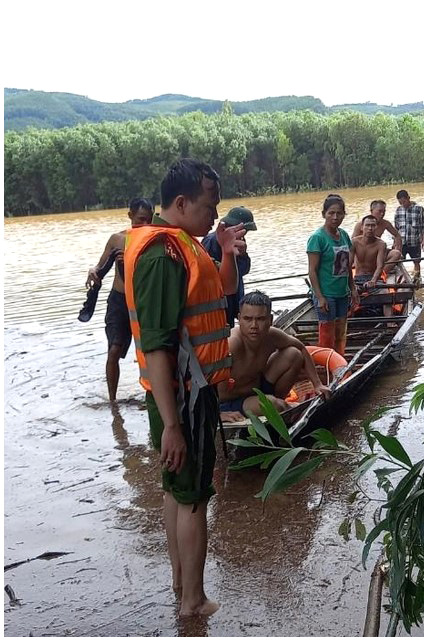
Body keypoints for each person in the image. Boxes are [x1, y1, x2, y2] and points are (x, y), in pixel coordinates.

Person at [124, 158, 245, 617]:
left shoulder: (184, 246)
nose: (216, 215)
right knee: (192, 495)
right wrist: (173, 424)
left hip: (186, 394)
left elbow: (223, 290)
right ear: (181, 203)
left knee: (177, 490)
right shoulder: (162, 255)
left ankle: (181, 586)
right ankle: (193, 601)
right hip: (184, 397)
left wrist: (228, 252)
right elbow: (156, 345)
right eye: (209, 205)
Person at [217, 291, 329, 421]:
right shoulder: (232, 344)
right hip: (230, 403)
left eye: (260, 319)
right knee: (273, 405)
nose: (254, 326)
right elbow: (201, 381)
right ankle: (276, 405)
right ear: (239, 319)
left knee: (294, 354)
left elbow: (302, 348)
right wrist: (217, 415)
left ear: (270, 320)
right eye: (248, 319)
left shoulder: (272, 336)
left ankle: (278, 401)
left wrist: (317, 384)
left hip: (258, 389)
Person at [85, 197, 154, 401]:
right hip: (119, 300)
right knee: (114, 350)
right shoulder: (117, 239)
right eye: (140, 219)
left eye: (148, 220)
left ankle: (153, 395)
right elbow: (100, 267)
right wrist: (93, 271)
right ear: (130, 216)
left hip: (143, 300)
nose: (144, 225)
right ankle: (113, 401)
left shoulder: (154, 240)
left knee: (151, 351)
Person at [307, 194, 359, 356]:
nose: (335, 217)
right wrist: (320, 297)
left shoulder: (343, 235)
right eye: (331, 213)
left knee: (341, 332)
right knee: (327, 334)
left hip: (342, 292)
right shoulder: (317, 238)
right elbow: (312, 271)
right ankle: (325, 367)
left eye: (339, 213)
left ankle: (339, 363)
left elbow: (346, 266)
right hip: (326, 294)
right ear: (324, 214)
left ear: (344, 215)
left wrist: (353, 288)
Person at [202, 205, 256, 328]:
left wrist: (242, 255)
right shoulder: (212, 241)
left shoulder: (237, 240)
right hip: (220, 303)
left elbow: (243, 270)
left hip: (233, 298)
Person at [352, 200, 403, 272]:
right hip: (364, 254)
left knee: (397, 254)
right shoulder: (361, 224)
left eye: (384, 212)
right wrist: (353, 261)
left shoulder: (385, 223)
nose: (382, 214)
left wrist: (398, 248)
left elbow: (397, 235)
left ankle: (381, 273)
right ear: (372, 211)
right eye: (380, 211)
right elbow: (352, 244)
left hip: (378, 252)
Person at [394, 189, 424, 280]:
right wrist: (395, 243)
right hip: (402, 242)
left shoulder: (419, 209)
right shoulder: (398, 210)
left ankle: (417, 280)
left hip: (415, 241)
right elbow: (396, 228)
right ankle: (403, 280)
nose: (403, 204)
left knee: (416, 262)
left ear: (408, 198)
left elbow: (423, 227)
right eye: (400, 203)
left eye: (404, 201)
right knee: (398, 262)